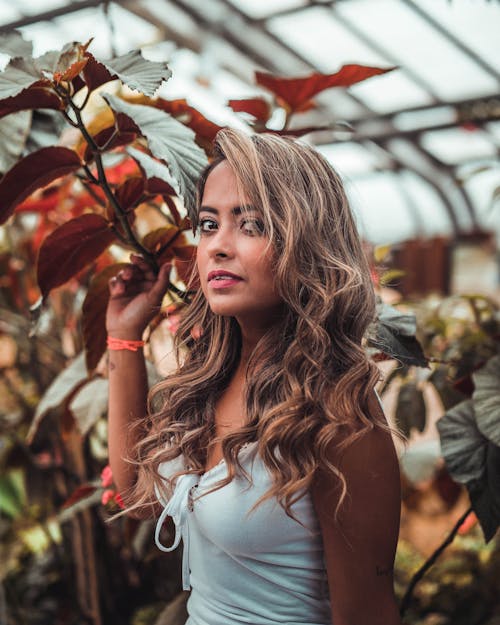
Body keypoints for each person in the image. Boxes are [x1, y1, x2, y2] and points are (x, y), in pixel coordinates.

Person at [106, 128, 403, 625]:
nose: (218, 247)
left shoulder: (337, 416)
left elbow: (367, 614)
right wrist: (123, 337)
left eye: (252, 225)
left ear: (307, 244)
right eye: (208, 224)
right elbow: (136, 495)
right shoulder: (210, 381)